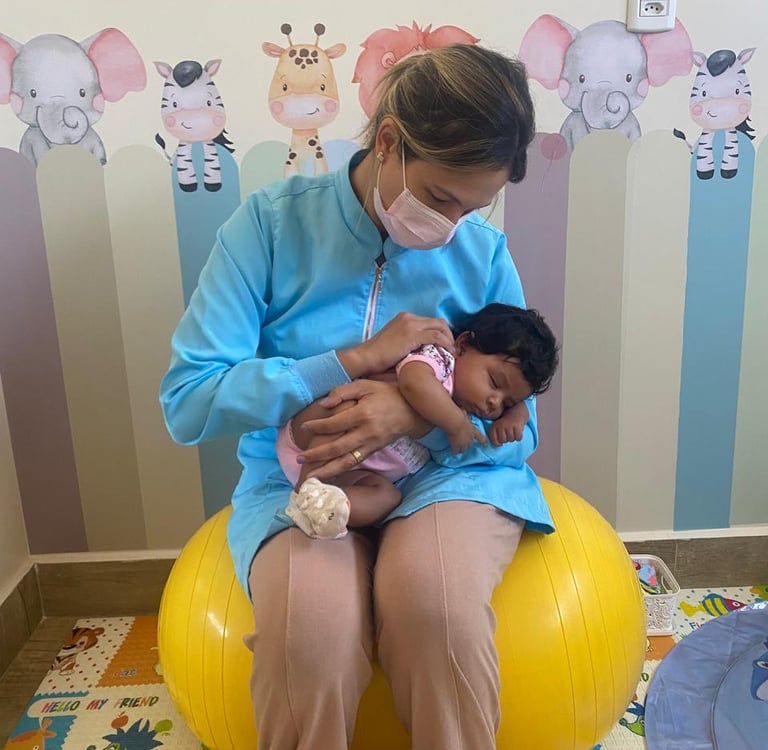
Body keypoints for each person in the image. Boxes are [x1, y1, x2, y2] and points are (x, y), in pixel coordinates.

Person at [160, 43, 556, 750]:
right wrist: (344, 363)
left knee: (434, 609)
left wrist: (416, 415)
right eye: (441, 198)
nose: (452, 227)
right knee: (308, 637)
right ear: (389, 141)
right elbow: (189, 402)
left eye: (472, 207)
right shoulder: (268, 227)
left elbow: (518, 429)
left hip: (444, 480)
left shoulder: (482, 252)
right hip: (302, 482)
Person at [280, 303, 559, 539]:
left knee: (387, 497)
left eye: (506, 402)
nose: (494, 402)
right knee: (347, 409)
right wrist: (455, 423)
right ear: (463, 345)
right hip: (314, 435)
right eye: (495, 382)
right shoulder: (440, 359)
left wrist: (517, 413)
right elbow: (413, 383)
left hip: (357, 467)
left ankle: (329, 508)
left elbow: (518, 401)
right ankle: (306, 488)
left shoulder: (475, 400)